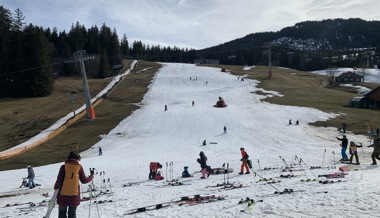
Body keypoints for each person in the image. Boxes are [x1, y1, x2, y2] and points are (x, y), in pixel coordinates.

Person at [54, 151, 94, 218]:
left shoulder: (63, 167)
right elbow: (84, 180)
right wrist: (91, 176)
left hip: (62, 195)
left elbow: (59, 180)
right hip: (74, 196)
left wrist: (55, 187)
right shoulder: (79, 167)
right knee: (72, 214)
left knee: (61, 213)